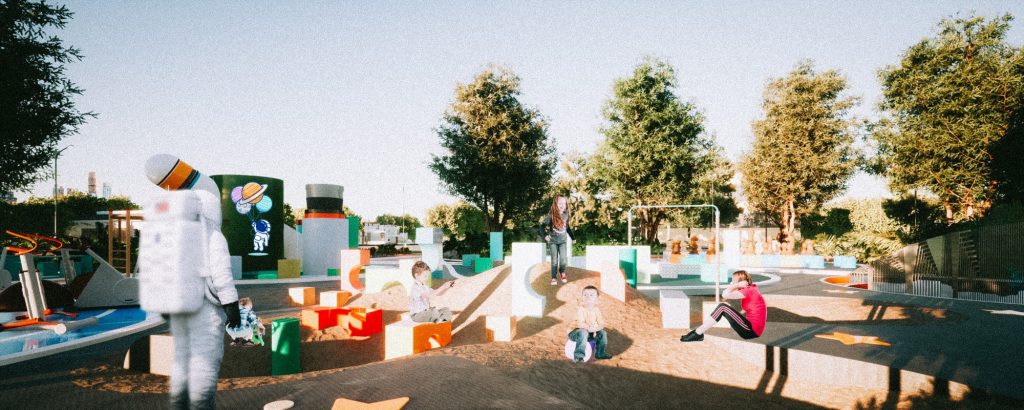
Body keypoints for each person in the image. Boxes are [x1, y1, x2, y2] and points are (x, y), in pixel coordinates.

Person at [168, 190, 242, 410]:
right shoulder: (213, 236)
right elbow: (222, 274)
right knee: (205, 368)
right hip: (207, 310)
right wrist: (231, 306)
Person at [681, 270, 766, 342]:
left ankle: (697, 333)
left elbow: (725, 294)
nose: (731, 283)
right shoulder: (751, 289)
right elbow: (726, 295)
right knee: (722, 307)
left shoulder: (749, 291)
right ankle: (698, 333)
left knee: (722, 307)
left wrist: (736, 285)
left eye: (733, 280)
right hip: (751, 329)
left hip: (750, 331)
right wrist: (736, 285)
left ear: (740, 281)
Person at [569, 285, 612, 362]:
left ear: (596, 299)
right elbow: (581, 324)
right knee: (583, 332)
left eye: (591, 295)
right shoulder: (581, 309)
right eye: (585, 295)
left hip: (589, 333)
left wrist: (596, 328)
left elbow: (601, 323)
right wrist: (591, 329)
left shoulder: (596, 310)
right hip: (576, 333)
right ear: (582, 297)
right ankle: (578, 356)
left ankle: (600, 353)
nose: (588, 297)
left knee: (603, 333)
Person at [539, 195, 574, 285]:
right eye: (560, 203)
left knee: (563, 260)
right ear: (555, 204)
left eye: (564, 203)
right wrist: (545, 235)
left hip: (563, 241)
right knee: (554, 260)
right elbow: (541, 227)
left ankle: (562, 272)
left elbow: (567, 228)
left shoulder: (566, 215)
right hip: (553, 242)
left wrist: (573, 237)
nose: (562, 205)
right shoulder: (551, 216)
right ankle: (554, 277)